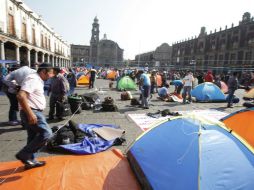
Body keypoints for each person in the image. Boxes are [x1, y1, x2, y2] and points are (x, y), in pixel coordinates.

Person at [15, 63, 54, 169]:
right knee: (47, 133)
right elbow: (21, 96)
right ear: (43, 71)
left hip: (33, 111)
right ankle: (24, 154)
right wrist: (30, 114)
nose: (51, 76)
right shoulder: (33, 79)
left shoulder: (37, 79)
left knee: (32, 137)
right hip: (32, 111)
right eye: (50, 73)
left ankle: (30, 161)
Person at [3, 61, 36, 126]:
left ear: (21, 65)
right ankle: (26, 122)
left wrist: (14, 86)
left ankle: (23, 121)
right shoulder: (33, 71)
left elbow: (5, 79)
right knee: (28, 105)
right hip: (30, 91)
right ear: (28, 64)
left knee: (22, 106)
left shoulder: (16, 71)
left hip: (20, 89)